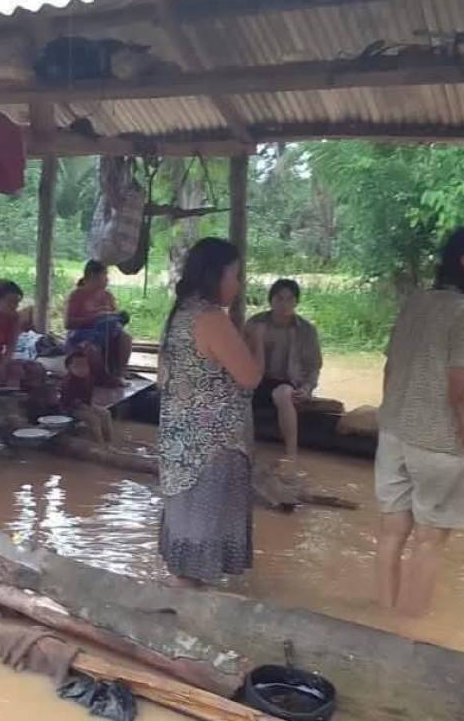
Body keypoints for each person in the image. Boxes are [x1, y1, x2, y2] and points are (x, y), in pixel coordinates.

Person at [375, 225, 464, 617]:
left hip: (394, 434)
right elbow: (463, 393)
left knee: (391, 534)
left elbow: (391, 369)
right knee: (429, 541)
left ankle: (379, 623)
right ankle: (410, 634)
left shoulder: (417, 303)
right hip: (440, 445)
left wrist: (392, 418)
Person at [157, 238, 264, 587]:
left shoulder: (181, 312)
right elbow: (250, 377)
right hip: (212, 446)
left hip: (180, 442)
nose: (238, 284)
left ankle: (181, 602)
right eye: (234, 275)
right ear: (216, 275)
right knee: (203, 548)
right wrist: (257, 343)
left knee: (188, 545)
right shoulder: (211, 318)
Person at [243, 278, 323, 475]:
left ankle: (291, 454)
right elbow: (243, 358)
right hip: (256, 378)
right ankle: (243, 450)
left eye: (290, 299)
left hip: (287, 381)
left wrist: (306, 388)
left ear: (296, 302)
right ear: (271, 301)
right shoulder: (255, 324)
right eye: (280, 298)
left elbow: (313, 366)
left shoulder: (306, 330)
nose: (284, 304)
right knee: (240, 395)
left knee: (284, 394)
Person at [65, 261, 133, 380]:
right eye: (105, 274)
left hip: (107, 334)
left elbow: (115, 319)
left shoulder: (108, 296)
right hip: (82, 336)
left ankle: (121, 371)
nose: (107, 279)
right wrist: (94, 318)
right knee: (91, 348)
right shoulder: (77, 295)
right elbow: (68, 324)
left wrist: (113, 317)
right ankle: (105, 378)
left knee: (125, 337)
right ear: (92, 276)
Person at [60, 350, 114, 444]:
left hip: (85, 405)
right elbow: (70, 402)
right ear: (69, 368)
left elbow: (88, 396)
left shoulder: (89, 378)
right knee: (94, 419)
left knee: (106, 413)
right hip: (70, 408)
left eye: (85, 366)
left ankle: (109, 441)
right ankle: (99, 444)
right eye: (77, 366)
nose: (82, 369)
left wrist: (90, 406)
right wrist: (87, 408)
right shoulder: (68, 382)